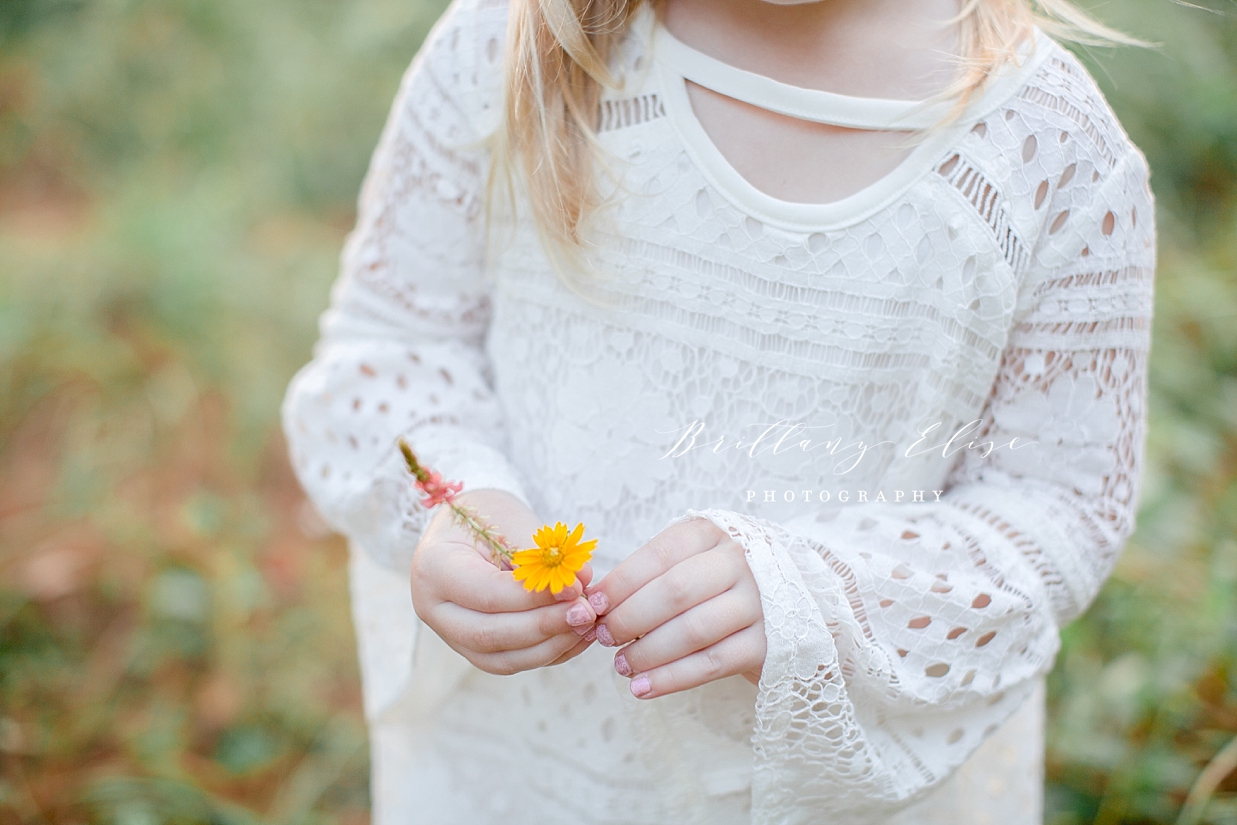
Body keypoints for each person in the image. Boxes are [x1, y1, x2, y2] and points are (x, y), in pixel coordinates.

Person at [280, 0, 1157, 820]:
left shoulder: (1052, 152)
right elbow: (392, 349)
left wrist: (816, 597)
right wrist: (457, 505)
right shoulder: (511, 42)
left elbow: (1060, 507)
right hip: (521, 769)